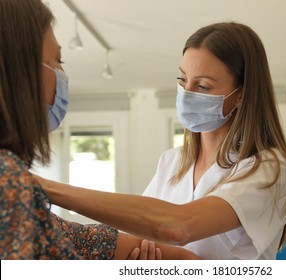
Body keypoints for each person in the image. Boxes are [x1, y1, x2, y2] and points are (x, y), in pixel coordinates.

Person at [36, 21, 286, 260]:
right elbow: (142, 233)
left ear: (241, 95)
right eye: (182, 80)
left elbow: (177, 227)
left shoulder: (266, 169)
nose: (186, 93)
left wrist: (43, 187)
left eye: (203, 86)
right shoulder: (172, 162)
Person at [0, 0, 199, 260]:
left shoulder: (17, 184)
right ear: (20, 73)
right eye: (57, 61)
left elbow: (80, 239)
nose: (62, 74)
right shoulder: (9, 181)